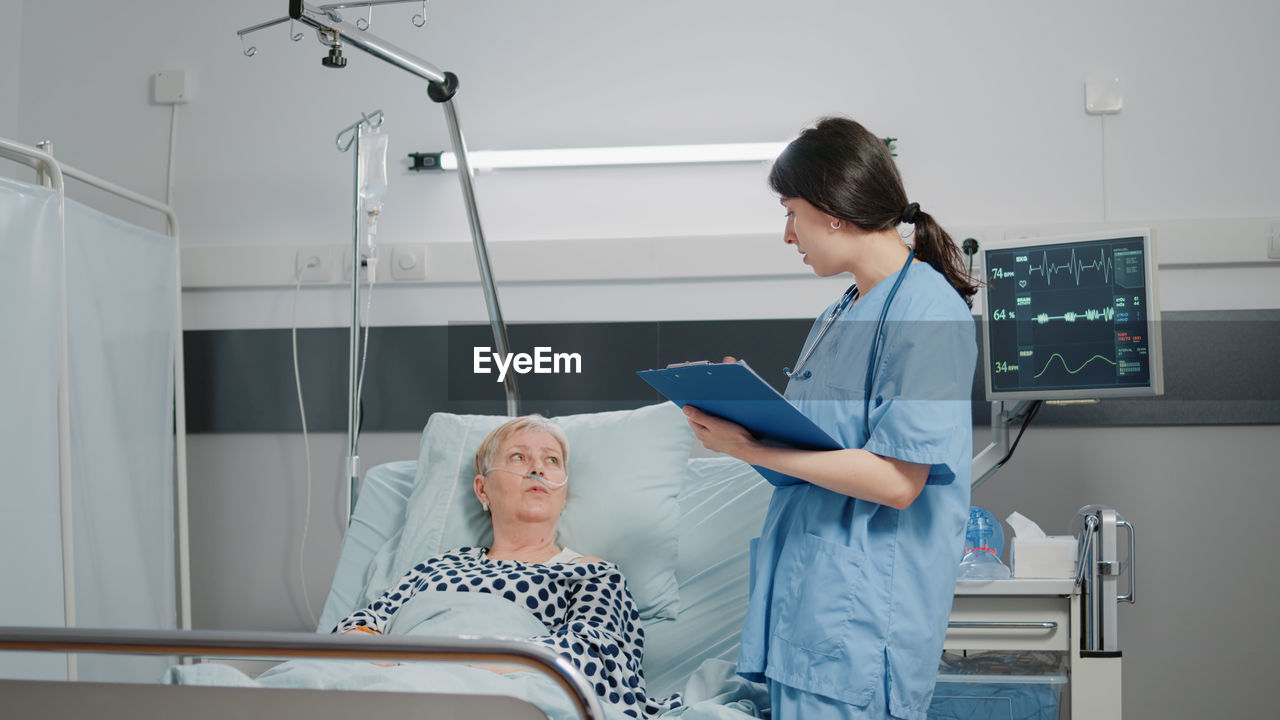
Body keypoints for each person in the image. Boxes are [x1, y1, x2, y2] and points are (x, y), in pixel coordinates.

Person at [682, 116, 978, 720]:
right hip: (810, 610)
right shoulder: (840, 313)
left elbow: (898, 483)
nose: (788, 234)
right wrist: (748, 419)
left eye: (792, 212)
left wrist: (751, 449)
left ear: (833, 210)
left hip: (864, 627)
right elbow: (818, 456)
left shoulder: (929, 313)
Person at [334, 415, 681, 719]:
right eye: (518, 457)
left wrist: (452, 668)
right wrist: (397, 668)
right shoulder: (435, 567)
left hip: (503, 694)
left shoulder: (590, 572)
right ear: (482, 489)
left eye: (552, 460)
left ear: (564, 494)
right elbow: (360, 627)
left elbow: (596, 659)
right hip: (393, 687)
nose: (537, 469)